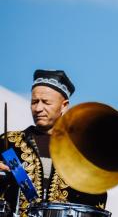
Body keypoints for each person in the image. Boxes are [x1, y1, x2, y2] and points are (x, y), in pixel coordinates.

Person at [0, 70, 107, 216]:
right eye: (34, 102)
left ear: (64, 106)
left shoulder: (82, 151)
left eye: (46, 102)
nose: (38, 108)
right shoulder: (8, 142)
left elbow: (96, 203)